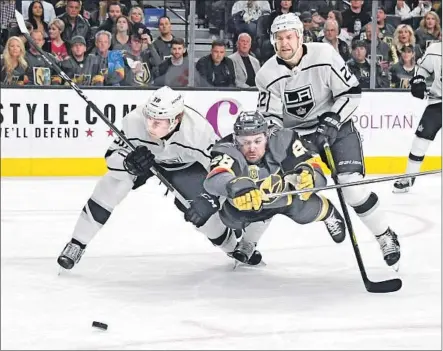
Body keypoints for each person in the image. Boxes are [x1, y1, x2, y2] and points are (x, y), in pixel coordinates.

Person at [254, 13, 401, 267]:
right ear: (273, 41)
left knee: (352, 187)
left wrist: (332, 121)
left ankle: (384, 235)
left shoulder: (324, 55)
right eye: (279, 38)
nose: (285, 43)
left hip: (336, 125)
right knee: (278, 186)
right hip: (297, 135)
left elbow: (351, 93)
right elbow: (271, 120)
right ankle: (326, 214)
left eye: (289, 37)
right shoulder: (266, 74)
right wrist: (284, 143)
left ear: (300, 37)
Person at [57, 86, 234, 270]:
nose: (150, 126)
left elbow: (220, 169)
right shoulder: (134, 120)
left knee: (198, 210)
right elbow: (111, 157)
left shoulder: (198, 132)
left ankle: (232, 247)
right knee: (113, 184)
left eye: (159, 122)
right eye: (149, 119)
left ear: (176, 119)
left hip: (186, 167)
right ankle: (77, 244)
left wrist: (211, 199)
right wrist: (128, 162)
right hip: (147, 159)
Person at [204, 110, 346, 264]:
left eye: (257, 141)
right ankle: (249, 241)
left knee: (303, 211)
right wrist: (236, 187)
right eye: (245, 142)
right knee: (230, 218)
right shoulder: (227, 147)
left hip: (286, 197)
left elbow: (318, 176)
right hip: (253, 204)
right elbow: (214, 178)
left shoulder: (282, 139)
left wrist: (310, 176)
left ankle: (328, 212)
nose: (252, 148)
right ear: (236, 140)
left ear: (266, 136)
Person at [393, 41, 442, 193]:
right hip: (439, 102)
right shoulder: (435, 49)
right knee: (420, 140)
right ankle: (408, 177)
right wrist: (419, 80)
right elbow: (422, 69)